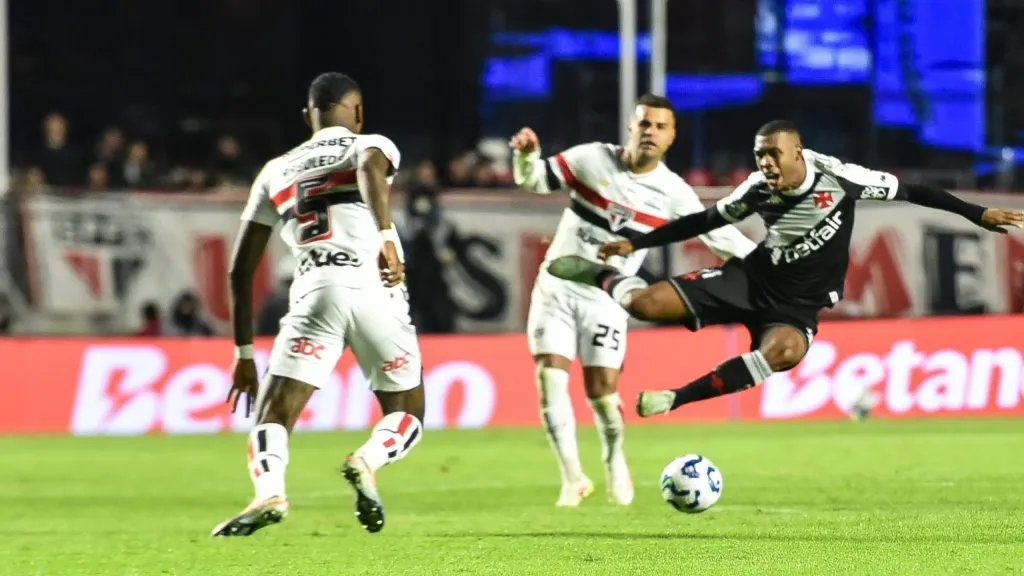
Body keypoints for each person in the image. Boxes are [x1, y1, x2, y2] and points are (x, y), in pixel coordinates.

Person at [547, 119, 1024, 418]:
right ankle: (598, 275)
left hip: (796, 305)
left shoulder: (840, 179)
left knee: (786, 352)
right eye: (760, 155)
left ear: (797, 152)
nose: (766, 162)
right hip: (750, 279)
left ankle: (675, 399)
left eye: (774, 153)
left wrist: (976, 213)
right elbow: (704, 221)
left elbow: (915, 191)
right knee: (642, 304)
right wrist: (635, 242)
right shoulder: (756, 190)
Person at [509, 94, 757, 507]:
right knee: (549, 378)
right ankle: (572, 478)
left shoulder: (673, 192)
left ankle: (614, 458)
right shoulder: (591, 158)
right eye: (644, 124)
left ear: (671, 137)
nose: (650, 133)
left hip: (606, 299)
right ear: (630, 127)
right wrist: (526, 156)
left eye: (660, 127)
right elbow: (535, 179)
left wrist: (772, 266)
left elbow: (720, 237)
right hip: (556, 286)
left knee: (602, 394)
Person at [212, 72, 424, 537]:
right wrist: (386, 237)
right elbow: (368, 167)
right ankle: (366, 460)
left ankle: (269, 492)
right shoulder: (371, 144)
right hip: (376, 290)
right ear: (359, 112)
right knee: (408, 411)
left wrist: (243, 354)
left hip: (315, 293)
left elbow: (239, 271)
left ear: (308, 116)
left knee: (273, 414)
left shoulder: (275, 170)